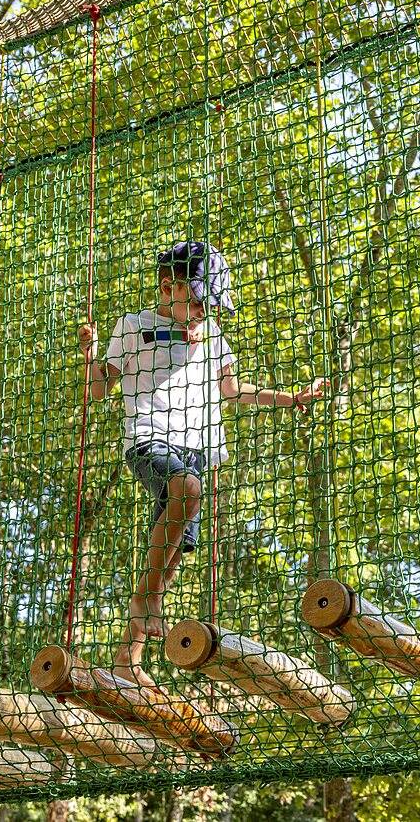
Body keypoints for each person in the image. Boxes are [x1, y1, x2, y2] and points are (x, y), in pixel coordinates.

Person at [77, 241, 327, 686]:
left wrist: (291, 398)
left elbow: (232, 390)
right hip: (149, 438)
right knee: (186, 490)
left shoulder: (211, 336)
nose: (202, 312)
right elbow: (99, 390)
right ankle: (144, 604)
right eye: (197, 302)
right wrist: (90, 355)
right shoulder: (134, 326)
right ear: (167, 288)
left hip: (196, 449)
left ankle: (127, 658)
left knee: (171, 555)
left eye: (209, 305)